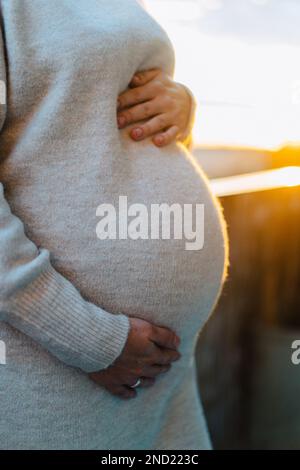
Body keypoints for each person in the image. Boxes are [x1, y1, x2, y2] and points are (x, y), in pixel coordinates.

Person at [0, 0, 227, 449]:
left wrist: (180, 107)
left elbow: (91, 119)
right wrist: (89, 339)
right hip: (55, 359)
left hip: (166, 374)